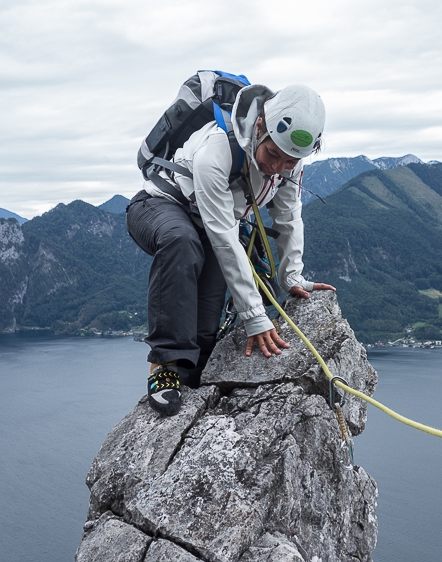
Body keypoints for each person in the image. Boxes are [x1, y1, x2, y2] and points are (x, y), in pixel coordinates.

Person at [126, 82, 336, 416]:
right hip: (159, 207)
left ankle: (192, 381)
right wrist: (254, 317)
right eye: (273, 155)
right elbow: (225, 235)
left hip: (208, 227)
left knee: (204, 333)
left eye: (289, 161)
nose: (278, 167)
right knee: (182, 243)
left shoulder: (287, 162)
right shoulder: (216, 150)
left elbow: (288, 217)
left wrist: (291, 274)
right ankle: (164, 364)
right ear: (260, 127)